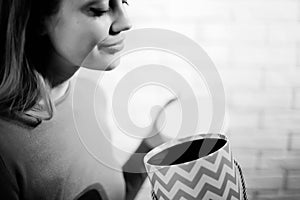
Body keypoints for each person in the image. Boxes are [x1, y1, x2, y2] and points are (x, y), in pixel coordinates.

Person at [0, 0, 171, 199]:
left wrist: (153, 141)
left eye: (124, 1)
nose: (124, 23)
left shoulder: (91, 94)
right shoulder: (5, 146)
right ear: (39, 20)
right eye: (99, 10)